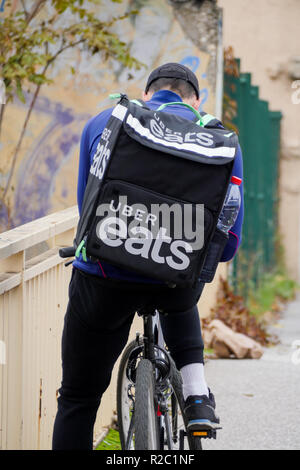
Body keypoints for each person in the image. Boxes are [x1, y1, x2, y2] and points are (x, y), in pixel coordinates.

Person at [52, 63, 244, 450]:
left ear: (147, 95)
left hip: (103, 280)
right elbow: (229, 239)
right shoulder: (219, 137)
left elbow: (86, 208)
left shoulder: (105, 122)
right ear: (195, 101)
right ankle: (195, 393)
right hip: (174, 286)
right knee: (179, 279)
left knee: (78, 398)